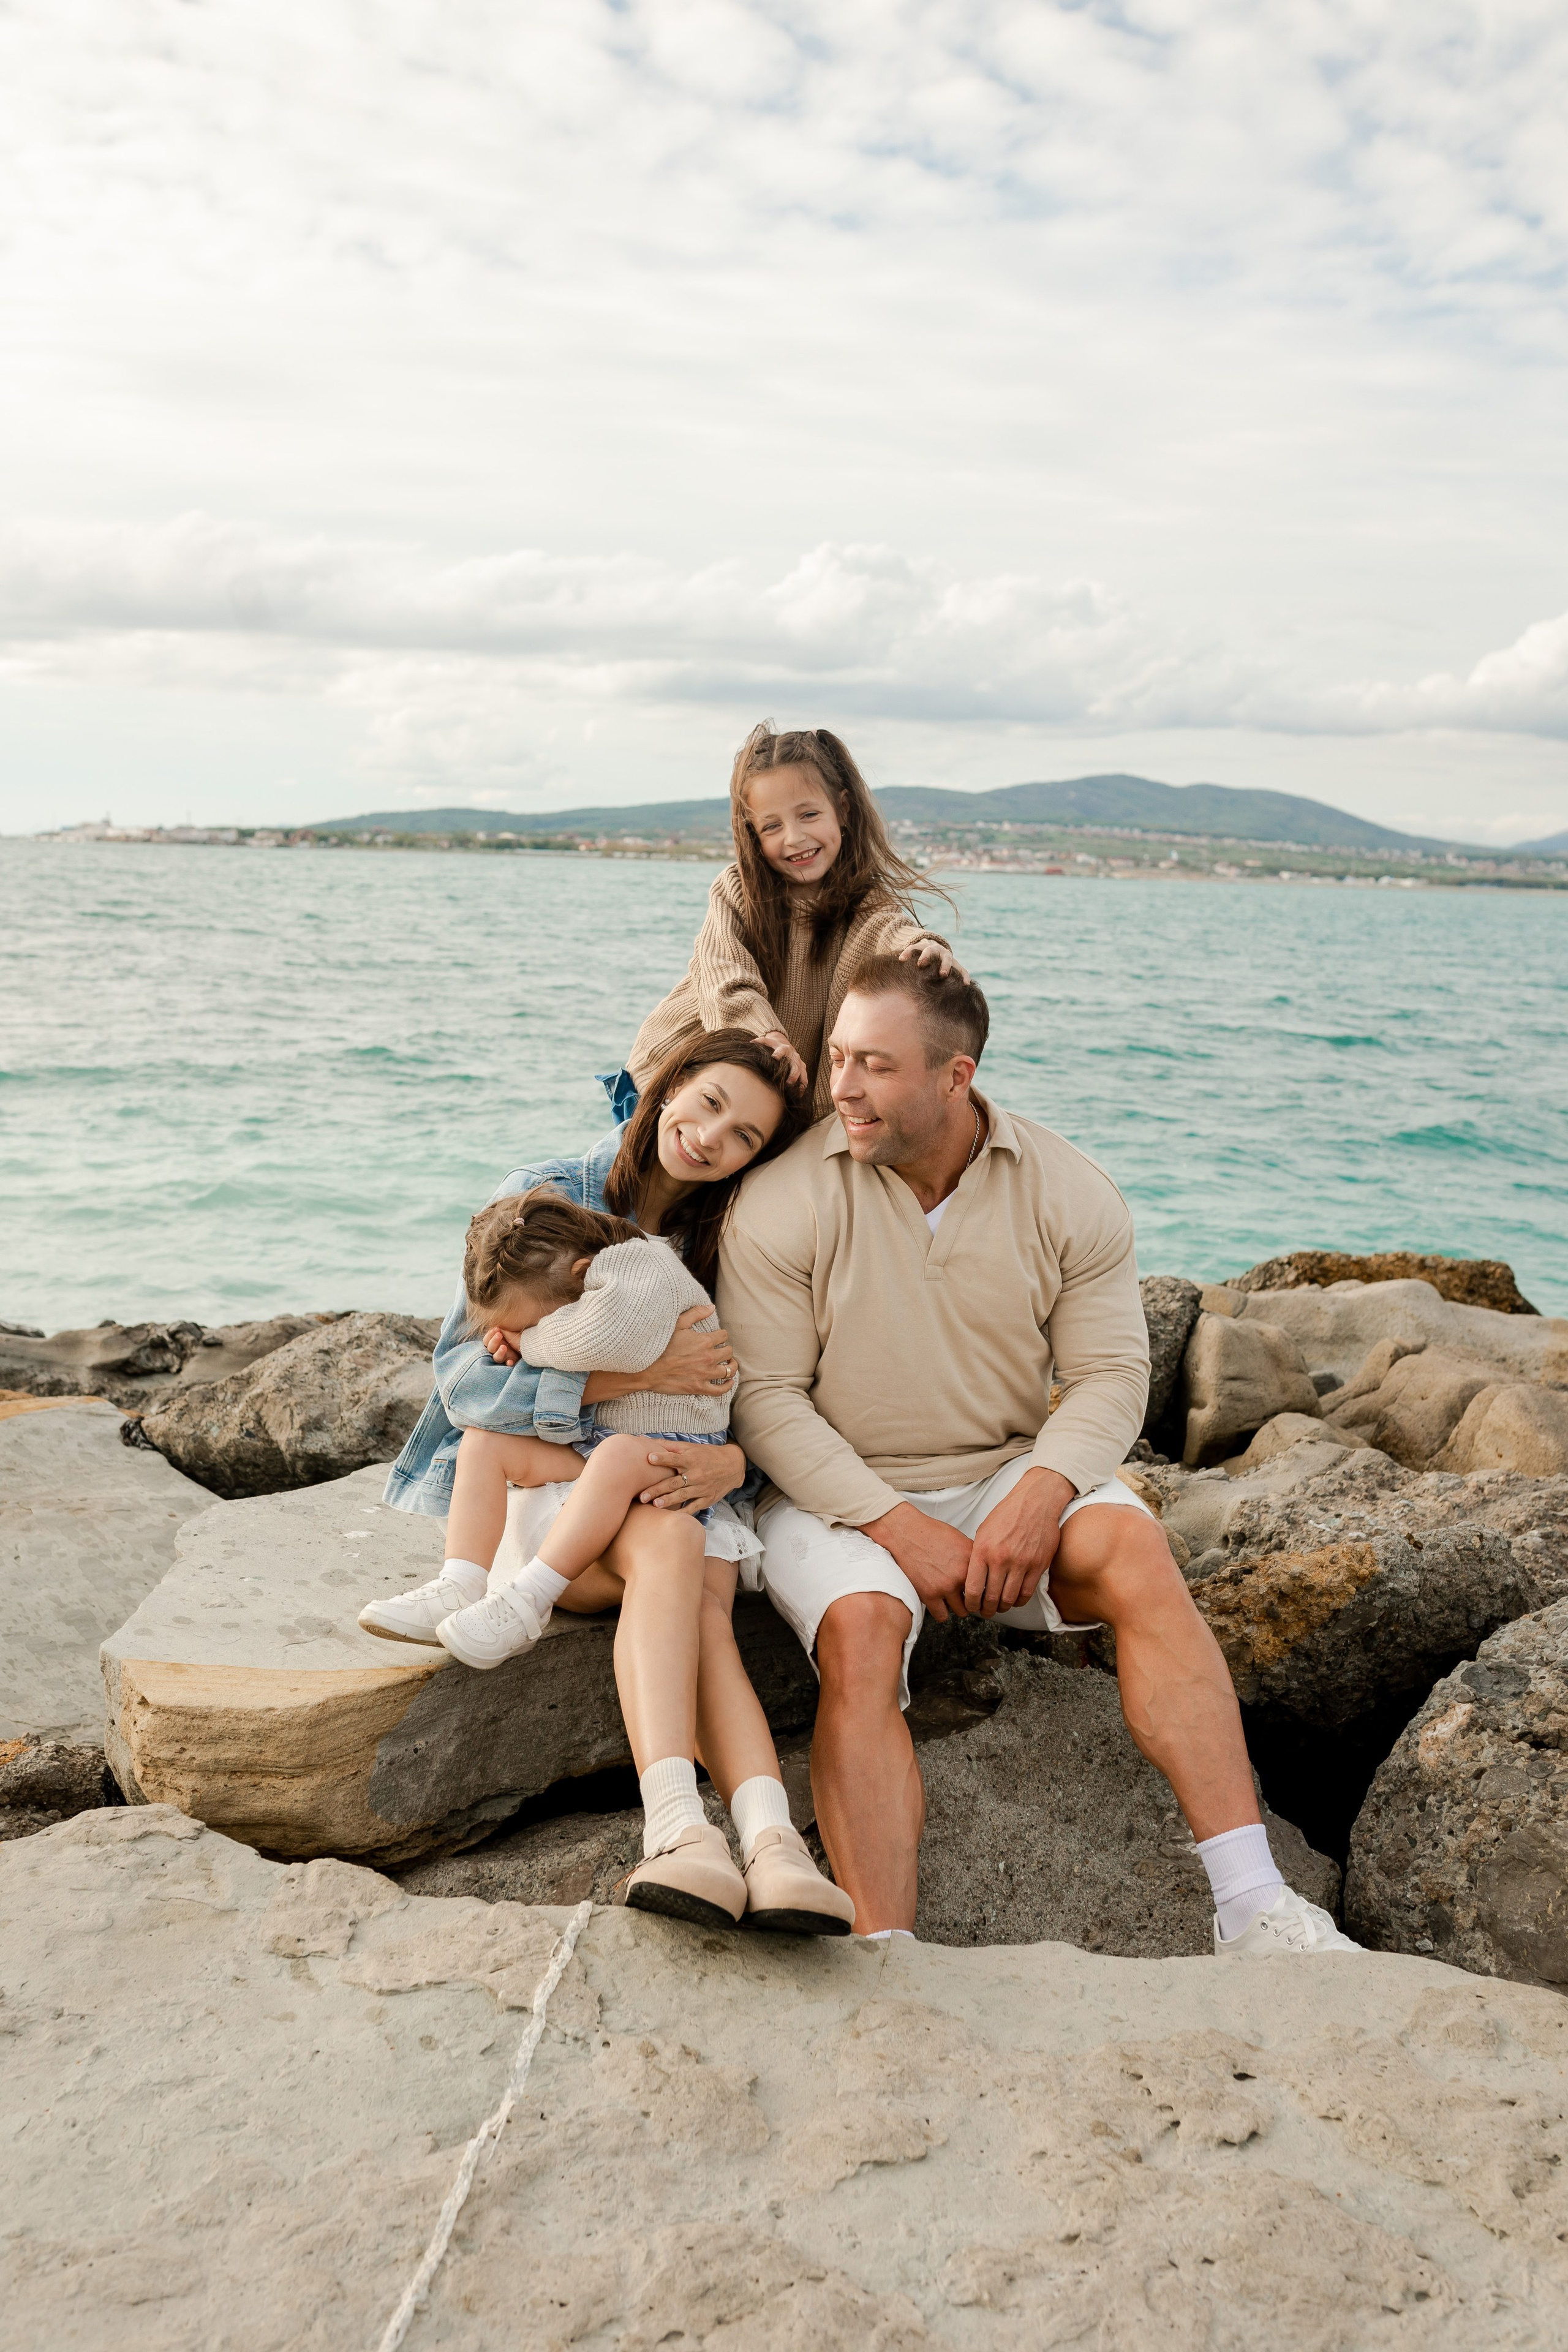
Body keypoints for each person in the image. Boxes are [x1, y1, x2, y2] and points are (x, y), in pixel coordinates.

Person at [718, 956, 1360, 1959]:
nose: (841, 1085)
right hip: (833, 1496)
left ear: (954, 1077)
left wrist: (1043, 1494)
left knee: (1139, 1557)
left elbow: (1109, 1375)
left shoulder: (1069, 1189)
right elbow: (767, 1401)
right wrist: (896, 1527)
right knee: (865, 1626)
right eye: (838, 1057)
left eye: (875, 1066)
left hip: (1005, 1471)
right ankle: (888, 1951)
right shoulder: (785, 1199)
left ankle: (1254, 1908)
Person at [378, 1028, 853, 1936]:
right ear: (668, 1086)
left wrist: (734, 1463)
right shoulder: (545, 1201)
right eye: (708, 1103)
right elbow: (467, 1385)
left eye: (747, 1134)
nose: (715, 1138)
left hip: (676, 1483)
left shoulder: (733, 1232)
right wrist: (626, 1379)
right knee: (674, 1543)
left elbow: (745, 1391)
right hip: (559, 1498)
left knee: (693, 1567)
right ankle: (683, 1830)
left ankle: (765, 1850)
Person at [620, 722, 967, 1121]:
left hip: (758, 1099)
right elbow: (724, 978)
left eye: (808, 814)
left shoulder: (866, 902)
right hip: (669, 1078)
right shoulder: (737, 890)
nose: (794, 838)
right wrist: (764, 1035)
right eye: (772, 826)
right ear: (753, 834)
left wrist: (925, 945)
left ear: (843, 810)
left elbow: (890, 930)